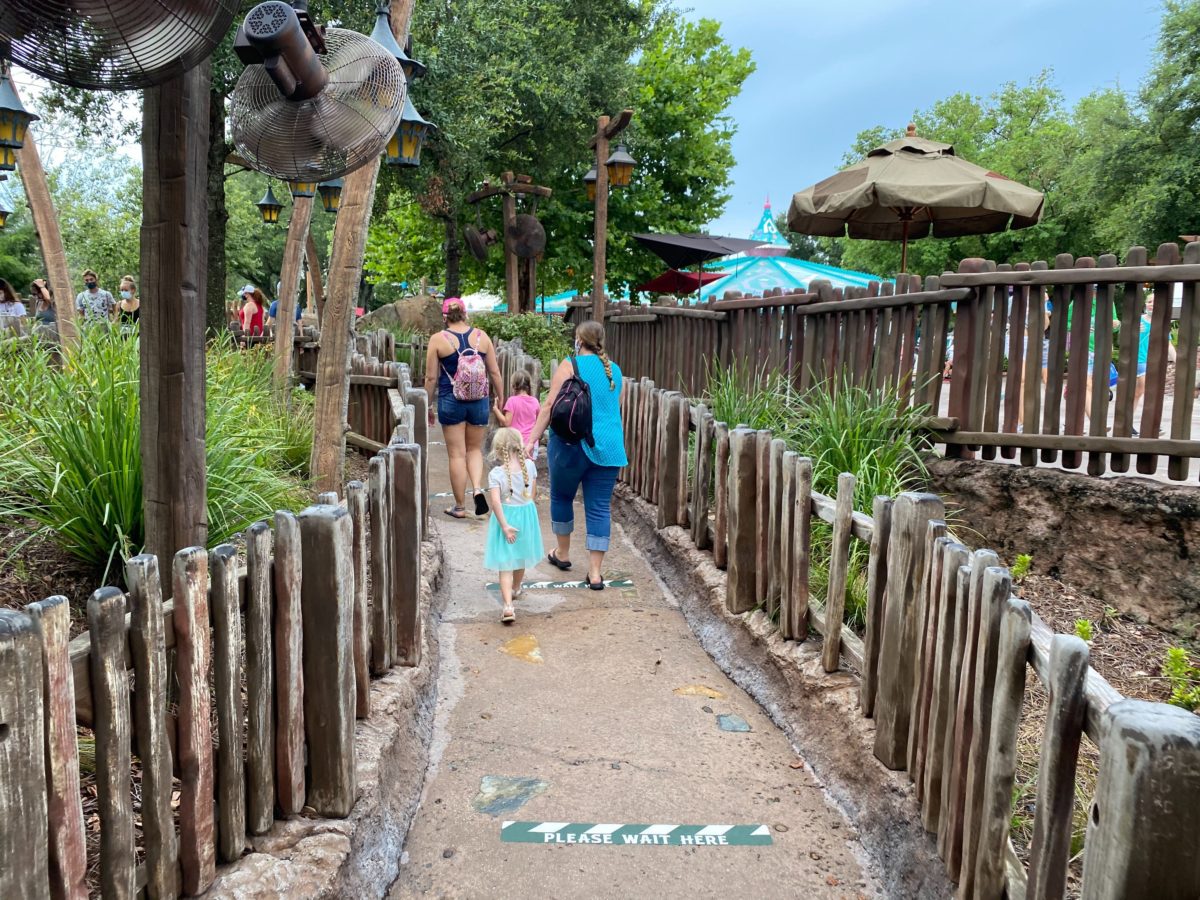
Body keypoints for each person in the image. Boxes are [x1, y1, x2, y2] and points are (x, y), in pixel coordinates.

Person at [524, 320, 627, 590]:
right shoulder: (614, 371)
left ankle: (563, 553)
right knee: (599, 507)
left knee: (561, 496)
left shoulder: (570, 365)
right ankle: (594, 573)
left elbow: (549, 405)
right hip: (609, 448)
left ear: (579, 341)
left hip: (571, 445)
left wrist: (531, 439)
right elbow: (613, 409)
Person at [424, 297, 504, 518]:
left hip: (451, 402)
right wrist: (501, 396)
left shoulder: (438, 340)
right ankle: (478, 489)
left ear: (444, 317)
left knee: (457, 455)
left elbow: (431, 378)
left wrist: (427, 405)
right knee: (474, 450)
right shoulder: (482, 337)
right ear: (465, 314)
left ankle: (459, 506)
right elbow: (495, 372)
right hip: (479, 402)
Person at [483, 427, 545, 623]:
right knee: (521, 555)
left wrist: (504, 526)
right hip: (526, 515)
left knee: (505, 564)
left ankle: (508, 606)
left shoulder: (496, 474)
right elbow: (531, 496)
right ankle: (516, 588)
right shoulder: (530, 467)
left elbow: (495, 502)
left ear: (498, 450)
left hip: (506, 517)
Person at [494, 370, 541, 458]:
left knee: (515, 468)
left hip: (516, 442)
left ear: (514, 386)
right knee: (528, 468)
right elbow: (539, 422)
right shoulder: (535, 402)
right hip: (531, 443)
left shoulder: (512, 401)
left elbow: (507, 422)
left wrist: (496, 410)